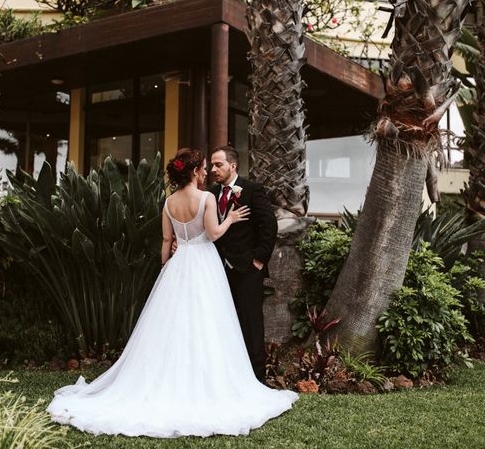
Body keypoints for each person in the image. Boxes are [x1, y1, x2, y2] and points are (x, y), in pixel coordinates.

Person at [46, 148, 297, 438]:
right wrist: (230, 219)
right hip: (206, 264)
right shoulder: (207, 197)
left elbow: (167, 240)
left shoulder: (168, 202)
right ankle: (213, 382)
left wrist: (167, 265)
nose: (208, 171)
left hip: (179, 267)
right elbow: (214, 233)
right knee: (210, 322)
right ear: (194, 171)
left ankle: (184, 379)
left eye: (214, 165)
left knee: (175, 325)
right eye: (204, 167)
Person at [209, 145, 277, 383]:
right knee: (224, 321)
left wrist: (258, 260)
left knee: (251, 322)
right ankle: (231, 376)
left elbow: (269, 226)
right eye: (211, 165)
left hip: (247, 268)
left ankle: (257, 379)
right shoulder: (211, 194)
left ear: (233, 166)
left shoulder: (252, 190)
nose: (213, 169)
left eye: (218, 164)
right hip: (218, 269)